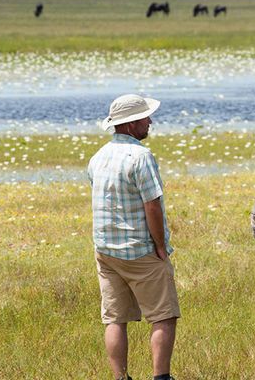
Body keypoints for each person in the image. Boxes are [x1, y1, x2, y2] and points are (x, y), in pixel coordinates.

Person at [88, 94, 180, 380]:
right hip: (139, 250)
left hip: (106, 250)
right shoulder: (141, 156)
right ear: (130, 124)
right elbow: (151, 204)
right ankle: (161, 377)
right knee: (163, 315)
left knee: (115, 318)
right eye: (145, 117)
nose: (150, 121)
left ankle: (120, 378)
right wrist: (161, 247)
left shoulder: (98, 157)